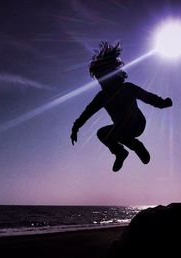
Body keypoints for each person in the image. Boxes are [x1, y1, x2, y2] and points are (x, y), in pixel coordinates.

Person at [70, 42, 173, 172]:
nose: (101, 82)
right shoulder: (102, 97)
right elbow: (87, 112)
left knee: (122, 121)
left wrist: (163, 103)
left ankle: (135, 145)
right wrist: (76, 127)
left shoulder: (127, 88)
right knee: (102, 133)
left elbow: (148, 97)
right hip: (121, 129)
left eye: (102, 78)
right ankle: (120, 152)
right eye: (98, 80)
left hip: (137, 123)